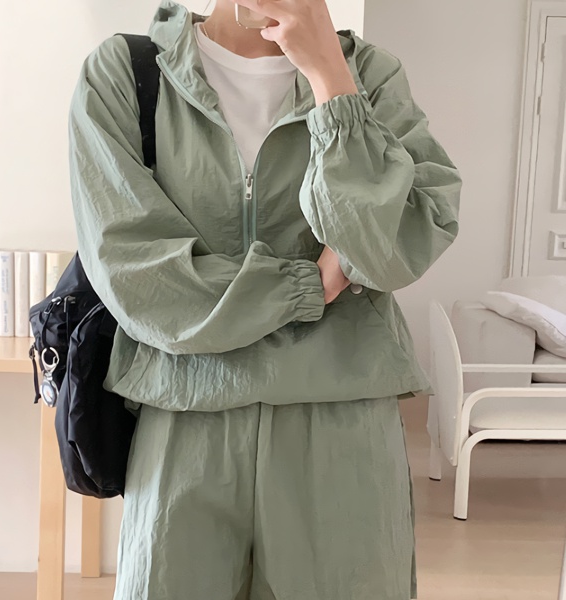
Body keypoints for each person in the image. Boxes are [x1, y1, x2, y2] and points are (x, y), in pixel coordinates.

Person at [67, 0, 462, 598]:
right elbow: (137, 277)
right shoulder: (126, 72)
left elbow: (398, 246)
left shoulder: (369, 75)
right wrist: (308, 285)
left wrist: (330, 78)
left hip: (341, 429)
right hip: (185, 423)